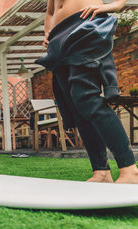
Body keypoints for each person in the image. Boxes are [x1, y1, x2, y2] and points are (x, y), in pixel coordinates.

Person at [36, 0, 138, 183]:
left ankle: (130, 170)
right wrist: (48, 32)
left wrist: (111, 7)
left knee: (87, 99)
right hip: (59, 40)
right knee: (78, 108)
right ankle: (101, 171)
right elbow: (51, 10)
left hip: (84, 26)